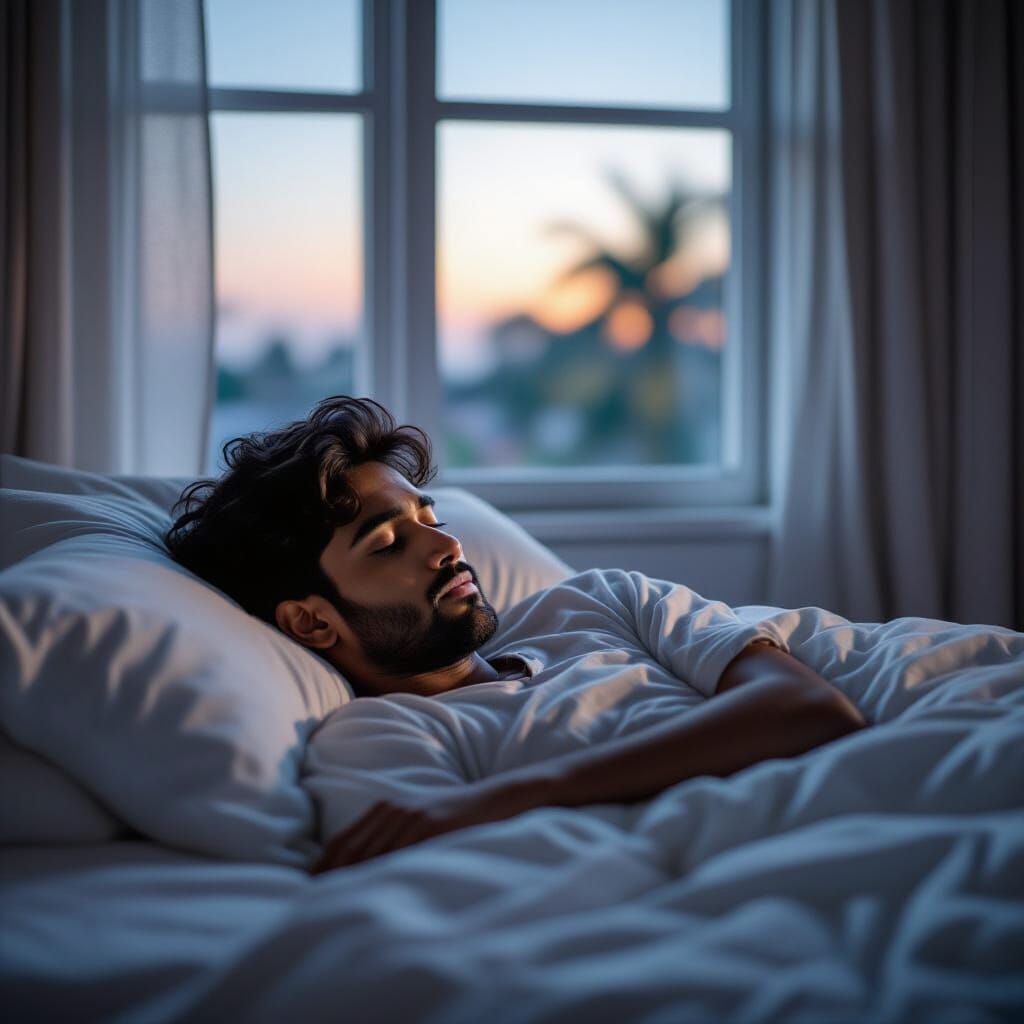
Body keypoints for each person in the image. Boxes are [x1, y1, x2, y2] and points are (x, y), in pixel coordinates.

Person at [166, 395, 867, 873]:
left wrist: (518, 792)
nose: (444, 547)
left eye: (429, 516)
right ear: (311, 620)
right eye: (386, 543)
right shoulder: (380, 740)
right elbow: (438, 888)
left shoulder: (605, 600)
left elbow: (812, 710)